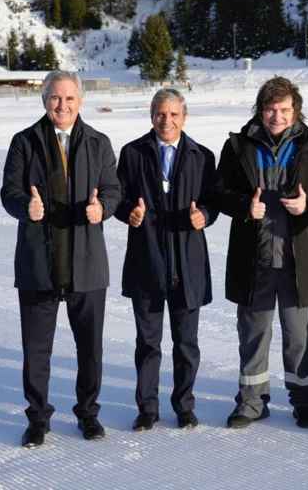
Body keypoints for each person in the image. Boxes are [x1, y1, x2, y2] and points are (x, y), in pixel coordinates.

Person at [0, 70, 121, 448]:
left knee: (90, 347)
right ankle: (37, 418)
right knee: (37, 349)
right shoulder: (24, 142)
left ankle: (88, 413)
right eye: (55, 98)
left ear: (80, 101)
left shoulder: (98, 143)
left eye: (69, 99)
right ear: (44, 100)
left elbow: (114, 190)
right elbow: (9, 192)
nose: (62, 105)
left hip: (86, 261)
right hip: (40, 262)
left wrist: (103, 209)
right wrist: (26, 207)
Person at [217, 77, 308, 429]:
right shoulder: (239, 145)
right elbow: (219, 191)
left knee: (298, 337)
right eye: (271, 109)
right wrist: (244, 207)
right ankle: (252, 402)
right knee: (254, 334)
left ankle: (303, 399)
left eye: (285, 109)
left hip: (297, 259)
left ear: (295, 110)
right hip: (254, 259)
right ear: (260, 109)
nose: (277, 116)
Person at [114, 88, 219, 432]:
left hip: (187, 263)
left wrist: (203, 214)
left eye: (174, 114)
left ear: (184, 117)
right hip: (147, 260)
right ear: (151, 115)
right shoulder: (133, 153)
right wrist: (129, 213)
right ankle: (147, 408)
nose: (167, 120)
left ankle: (184, 406)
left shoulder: (202, 156)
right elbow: (117, 197)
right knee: (148, 343)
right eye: (160, 113)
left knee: (186, 343)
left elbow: (213, 202)